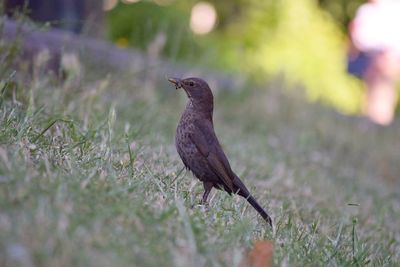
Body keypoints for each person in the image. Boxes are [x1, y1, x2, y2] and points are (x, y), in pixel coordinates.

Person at [349, 0, 400, 125]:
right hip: (370, 58)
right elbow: (359, 39)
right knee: (374, 87)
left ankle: (380, 119)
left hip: (391, 59)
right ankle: (373, 118)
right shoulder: (366, 11)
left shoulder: (395, 9)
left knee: (383, 87)